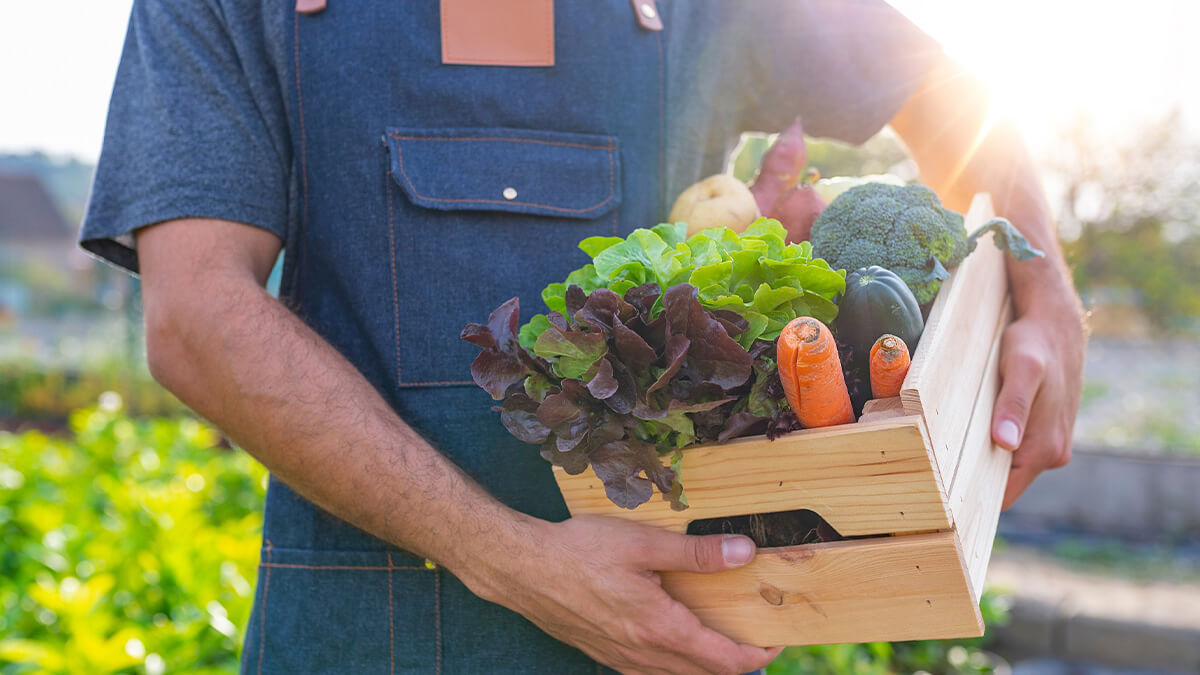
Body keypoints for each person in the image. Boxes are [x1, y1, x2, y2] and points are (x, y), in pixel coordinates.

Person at [80, 1, 1084, 673]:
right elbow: (197, 314)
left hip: (676, 634)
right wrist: (511, 558)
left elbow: (949, 92)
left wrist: (1044, 288)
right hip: (353, 637)